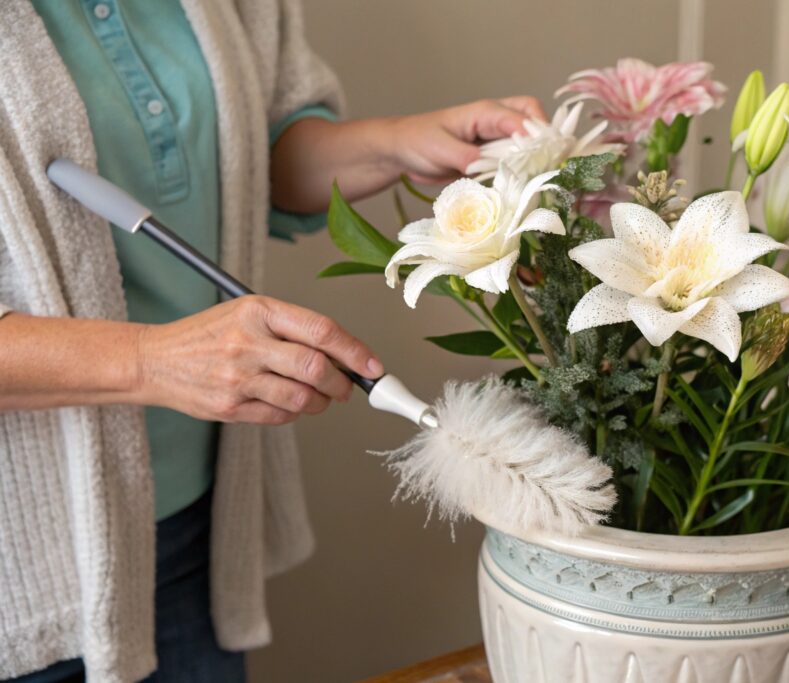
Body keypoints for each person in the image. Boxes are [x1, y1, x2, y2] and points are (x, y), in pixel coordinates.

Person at [0, 2, 544, 682]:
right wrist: (152, 360)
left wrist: (397, 144)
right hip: (21, 576)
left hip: (191, 530)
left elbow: (253, 149)